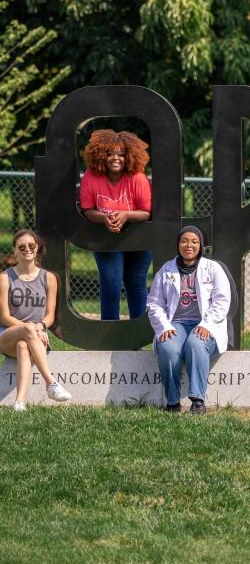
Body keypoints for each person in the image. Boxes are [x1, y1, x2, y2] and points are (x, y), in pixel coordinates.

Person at [147, 226, 231, 413]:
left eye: (194, 241)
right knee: (167, 347)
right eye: (184, 241)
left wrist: (207, 325)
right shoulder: (166, 270)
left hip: (204, 322)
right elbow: (154, 303)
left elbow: (222, 300)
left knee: (196, 344)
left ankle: (198, 400)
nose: (189, 245)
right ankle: (172, 402)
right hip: (175, 324)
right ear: (178, 244)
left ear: (201, 245)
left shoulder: (213, 268)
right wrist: (163, 327)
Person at [80, 129, 152, 320]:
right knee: (111, 282)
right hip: (106, 237)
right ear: (100, 155)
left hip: (139, 237)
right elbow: (87, 210)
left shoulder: (138, 178)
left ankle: (137, 336)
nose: (115, 158)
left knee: (136, 282)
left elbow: (146, 212)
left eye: (121, 154)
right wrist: (103, 218)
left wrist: (126, 215)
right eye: (109, 153)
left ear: (129, 156)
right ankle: (109, 335)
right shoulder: (90, 177)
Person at [0, 230, 72, 411]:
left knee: (24, 346)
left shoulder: (49, 278)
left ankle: (19, 403)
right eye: (21, 247)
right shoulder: (4, 278)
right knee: (27, 332)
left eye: (31, 246)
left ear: (37, 247)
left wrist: (38, 327)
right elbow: (4, 317)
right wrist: (32, 328)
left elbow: (49, 316)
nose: (27, 250)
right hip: (7, 335)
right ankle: (51, 383)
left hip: (34, 338)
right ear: (15, 251)